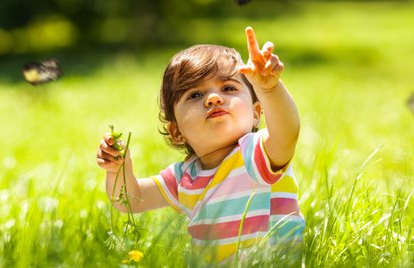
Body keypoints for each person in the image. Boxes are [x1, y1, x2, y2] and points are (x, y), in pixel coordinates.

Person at [96, 26, 305, 264]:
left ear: (256, 113)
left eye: (228, 88)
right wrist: (118, 170)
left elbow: (288, 133)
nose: (214, 98)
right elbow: (132, 200)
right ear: (177, 132)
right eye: (195, 95)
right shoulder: (184, 177)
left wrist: (269, 89)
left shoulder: (256, 153)